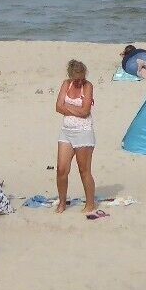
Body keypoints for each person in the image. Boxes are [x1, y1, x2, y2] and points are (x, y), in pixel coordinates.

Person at [55, 60, 101, 219]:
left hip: (83, 132)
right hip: (66, 132)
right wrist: (76, 110)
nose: (80, 81)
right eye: (77, 79)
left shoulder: (88, 86)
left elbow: (86, 111)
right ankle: (62, 202)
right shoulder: (65, 84)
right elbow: (57, 107)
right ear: (70, 76)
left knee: (84, 170)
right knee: (61, 169)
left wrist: (67, 109)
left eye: (82, 78)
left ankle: (90, 203)